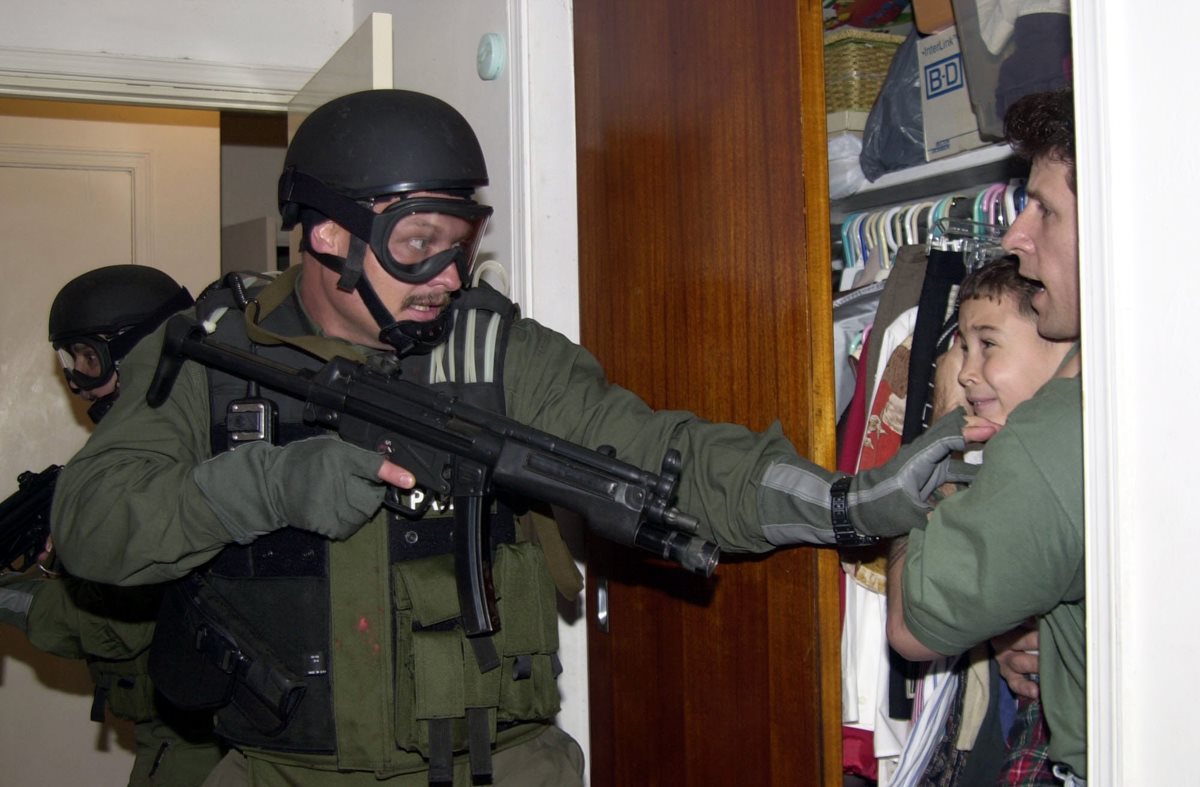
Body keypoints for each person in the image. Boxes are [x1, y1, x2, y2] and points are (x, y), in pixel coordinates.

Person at [49, 90, 968, 786]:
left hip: (489, 767)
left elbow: (657, 455)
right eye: (418, 243)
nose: (449, 276)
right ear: (329, 233)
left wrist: (844, 503)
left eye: (463, 242)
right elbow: (90, 525)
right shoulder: (215, 358)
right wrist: (265, 487)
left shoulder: (491, 354)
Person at [884, 88, 1087, 785]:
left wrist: (928, 448)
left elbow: (910, 623)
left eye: (1046, 210)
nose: (1015, 234)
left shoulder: (1054, 435)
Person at [0, 264, 224, 786]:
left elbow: (114, 627)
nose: (78, 384)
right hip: (178, 730)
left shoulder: (177, 458)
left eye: (86, 359)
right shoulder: (143, 451)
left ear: (134, 352)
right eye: (69, 362)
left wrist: (10, 597)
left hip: (201, 741)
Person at [888, 256, 1073, 785]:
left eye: (987, 344)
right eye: (962, 347)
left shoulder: (1043, 464)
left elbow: (911, 623)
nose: (965, 371)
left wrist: (943, 427)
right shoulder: (1011, 462)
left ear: (1061, 348)